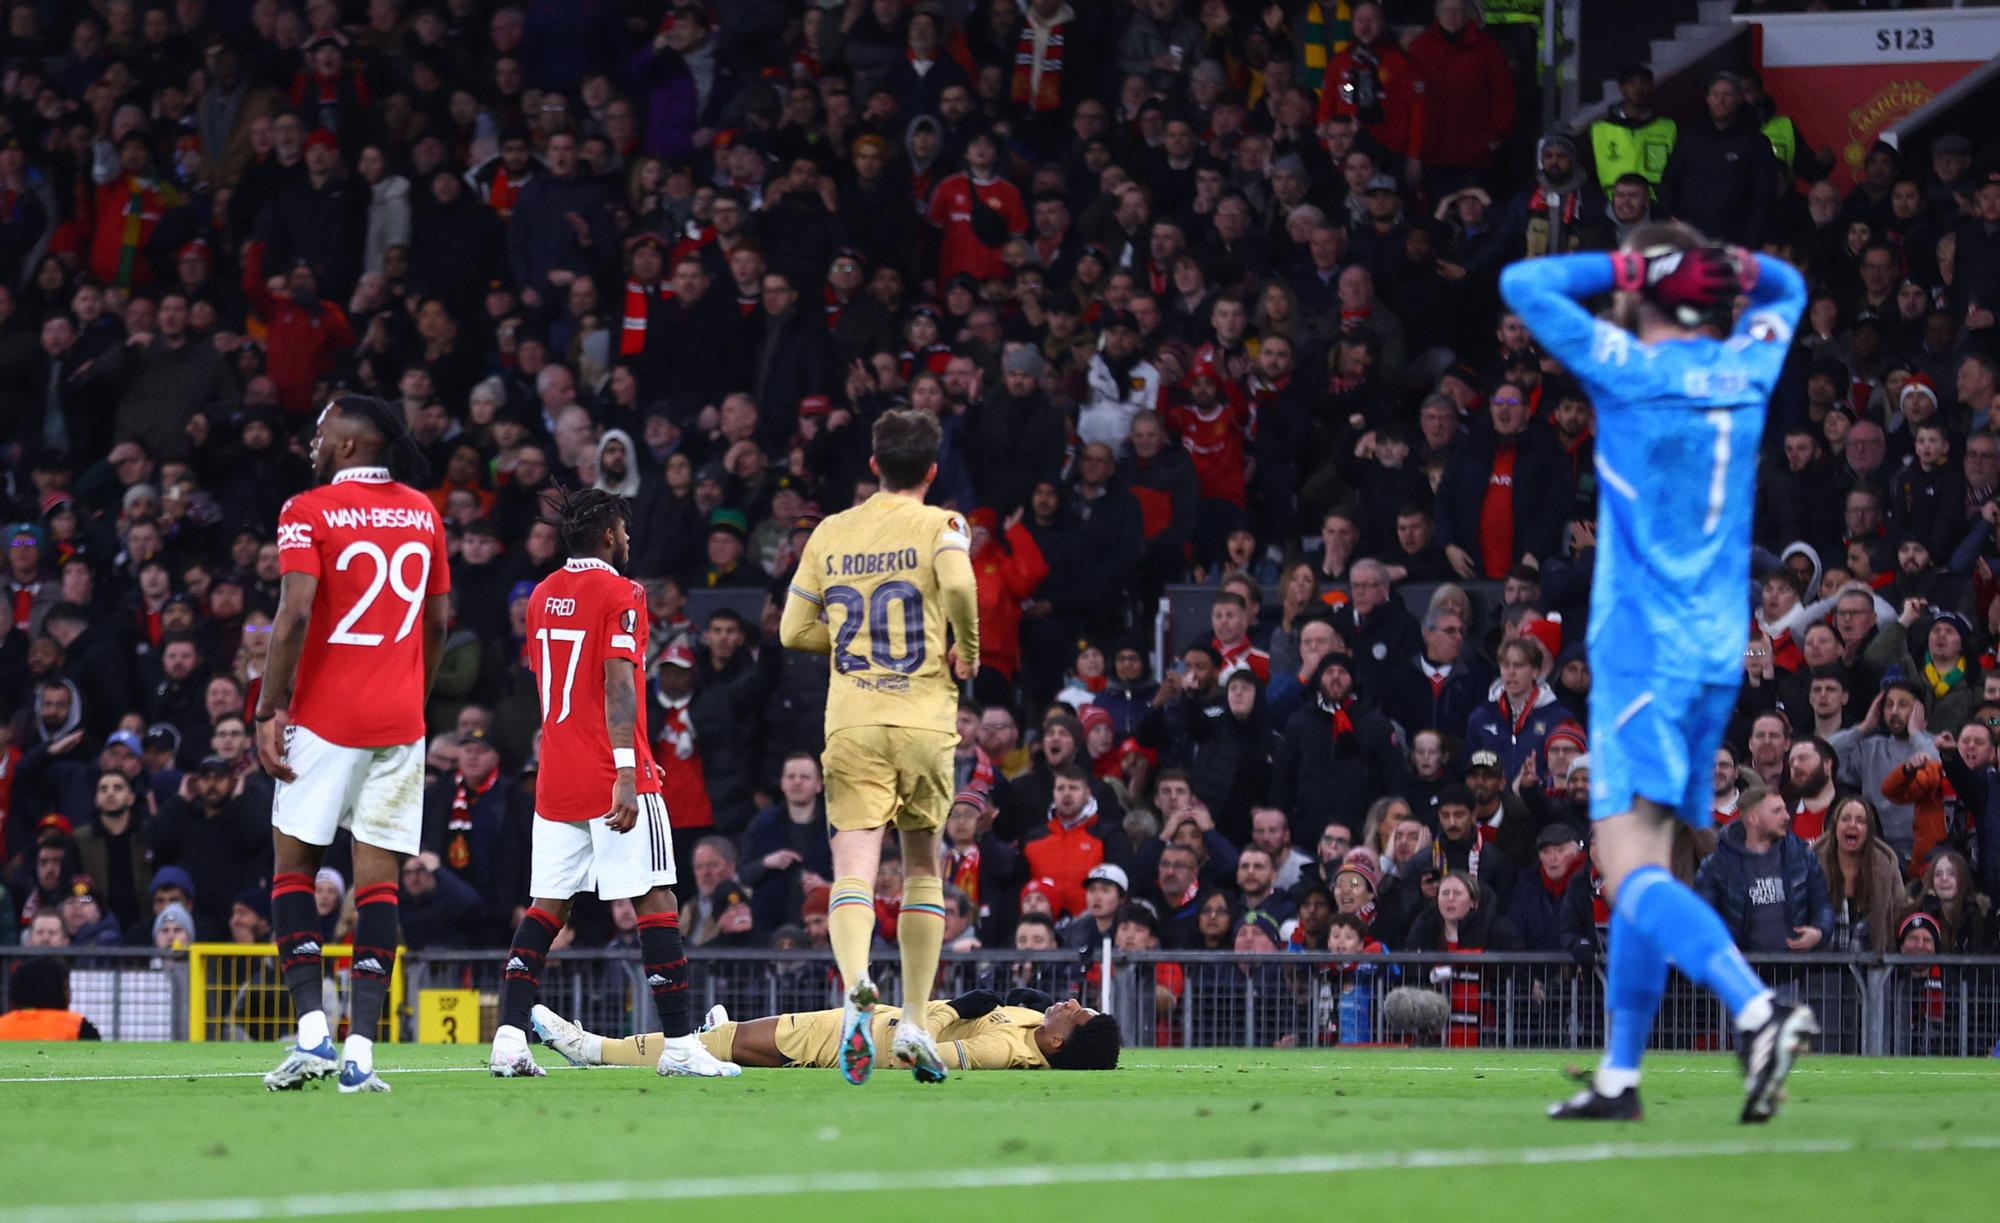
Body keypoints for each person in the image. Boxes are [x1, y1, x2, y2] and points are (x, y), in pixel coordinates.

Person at [1502, 225, 1816, 1123]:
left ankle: (1757, 1011)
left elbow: (1526, 283)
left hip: (1642, 649)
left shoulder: (1629, 368)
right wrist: (1730, 266)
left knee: (1626, 865)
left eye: (1630, 287)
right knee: (1652, 866)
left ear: (1647, 293)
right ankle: (1620, 1073)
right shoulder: (1745, 366)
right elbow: (1785, 281)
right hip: (1716, 652)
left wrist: (1636, 264)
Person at [487, 488, 738, 1081]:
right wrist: (626, 769)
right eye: (623, 531)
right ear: (607, 536)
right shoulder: (623, 593)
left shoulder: (542, 596)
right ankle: (679, 1046)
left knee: (547, 907)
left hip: (556, 777)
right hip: (613, 774)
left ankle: (507, 1037)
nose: (628, 539)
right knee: (657, 901)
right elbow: (618, 683)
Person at [255, 396, 451, 1095]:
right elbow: (439, 618)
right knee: (378, 884)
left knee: (294, 869)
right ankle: (360, 1050)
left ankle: (310, 1032)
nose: (311, 442)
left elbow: (295, 612)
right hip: (400, 722)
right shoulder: (424, 513)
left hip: (325, 720)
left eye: (319, 433)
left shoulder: (306, 510)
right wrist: (411, 694)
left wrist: (267, 706)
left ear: (345, 446)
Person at [779, 409, 980, 1085]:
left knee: (854, 867)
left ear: (873, 465)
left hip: (854, 719)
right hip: (923, 719)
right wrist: (965, 647)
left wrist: (845, 643)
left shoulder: (832, 531)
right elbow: (956, 583)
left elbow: (790, 628)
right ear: (931, 468)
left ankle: (858, 984)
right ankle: (917, 1020)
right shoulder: (943, 524)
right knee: (923, 863)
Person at [530, 988, 1120, 1073]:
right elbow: (1020, 1006)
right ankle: (724, 1028)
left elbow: (925, 1054)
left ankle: (591, 1049)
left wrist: (950, 1007)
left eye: (1078, 1011)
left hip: (853, 1037)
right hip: (861, 1023)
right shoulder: (1030, 1022)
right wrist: (1024, 1002)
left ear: (1061, 1043)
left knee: (710, 1046)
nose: (1070, 1001)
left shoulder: (1001, 1049)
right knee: (733, 1044)